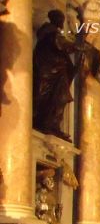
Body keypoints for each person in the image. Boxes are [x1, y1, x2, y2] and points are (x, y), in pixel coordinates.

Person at [32, 10, 77, 140]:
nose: (62, 21)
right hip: (50, 74)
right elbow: (63, 45)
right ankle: (47, 124)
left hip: (57, 74)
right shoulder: (50, 32)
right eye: (61, 18)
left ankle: (53, 125)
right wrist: (78, 45)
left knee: (59, 99)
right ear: (55, 19)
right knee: (53, 99)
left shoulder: (51, 33)